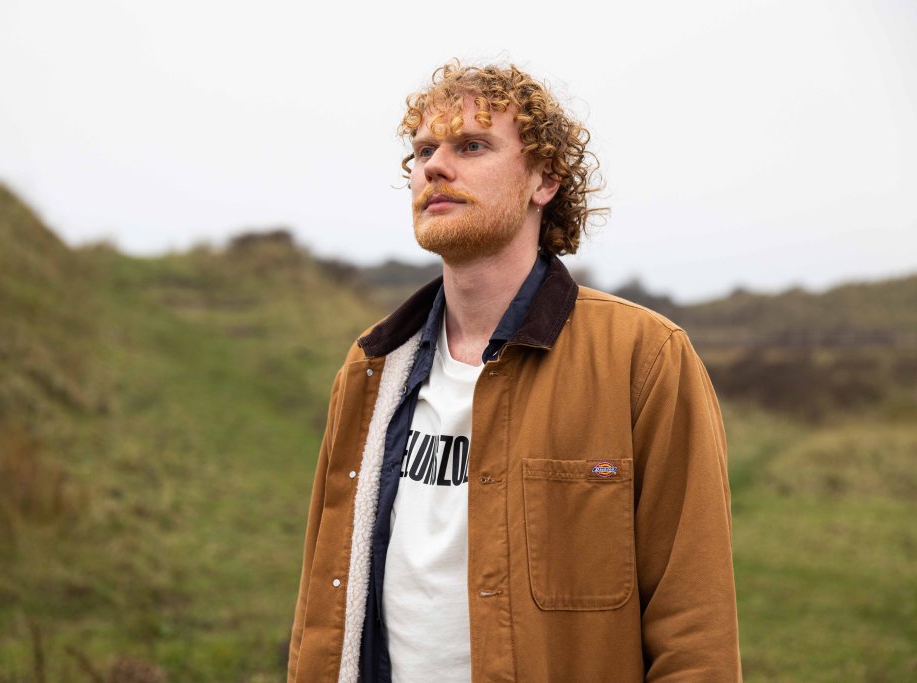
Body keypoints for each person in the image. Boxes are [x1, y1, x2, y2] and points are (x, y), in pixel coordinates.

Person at [288, 61, 741, 682]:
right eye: (424, 149)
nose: (435, 167)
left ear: (544, 181)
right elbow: (325, 606)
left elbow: (696, 625)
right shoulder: (372, 365)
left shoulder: (643, 356)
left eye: (472, 146)